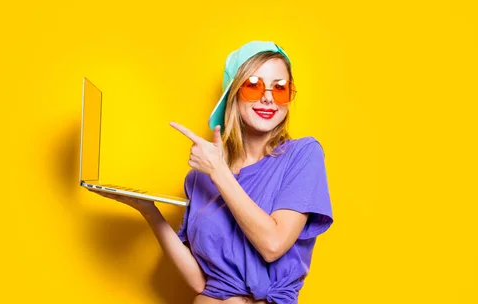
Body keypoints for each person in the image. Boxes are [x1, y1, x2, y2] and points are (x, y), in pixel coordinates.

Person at [91, 41, 333, 304]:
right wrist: (149, 211)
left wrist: (219, 172)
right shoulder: (199, 177)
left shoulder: (303, 155)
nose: (268, 97)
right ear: (233, 93)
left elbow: (273, 244)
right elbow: (201, 281)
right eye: (253, 85)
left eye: (280, 87)